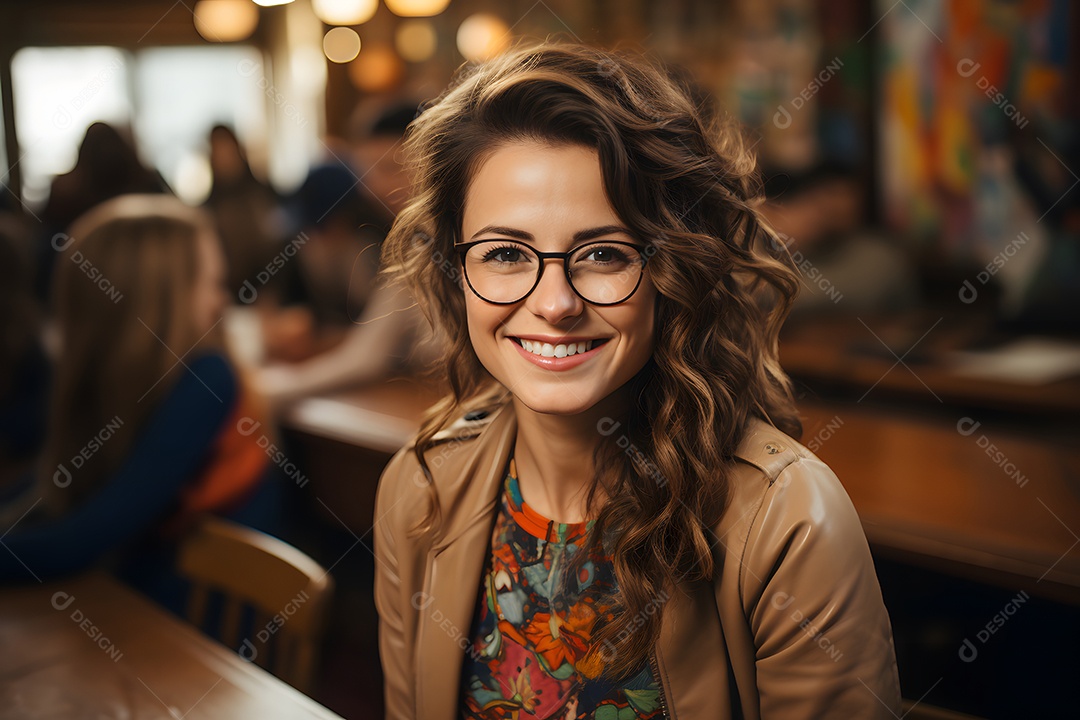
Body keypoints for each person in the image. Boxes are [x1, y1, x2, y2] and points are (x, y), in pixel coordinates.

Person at [373, 42, 901, 719]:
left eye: (602, 253)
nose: (556, 303)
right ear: (455, 269)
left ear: (671, 271)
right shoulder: (418, 490)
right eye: (505, 253)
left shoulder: (791, 522)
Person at [0, 195, 272, 605]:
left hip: (202, 621)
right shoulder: (128, 378)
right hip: (137, 593)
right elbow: (49, 485)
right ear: (160, 299)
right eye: (213, 283)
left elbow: (85, 537)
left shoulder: (208, 378)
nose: (223, 301)